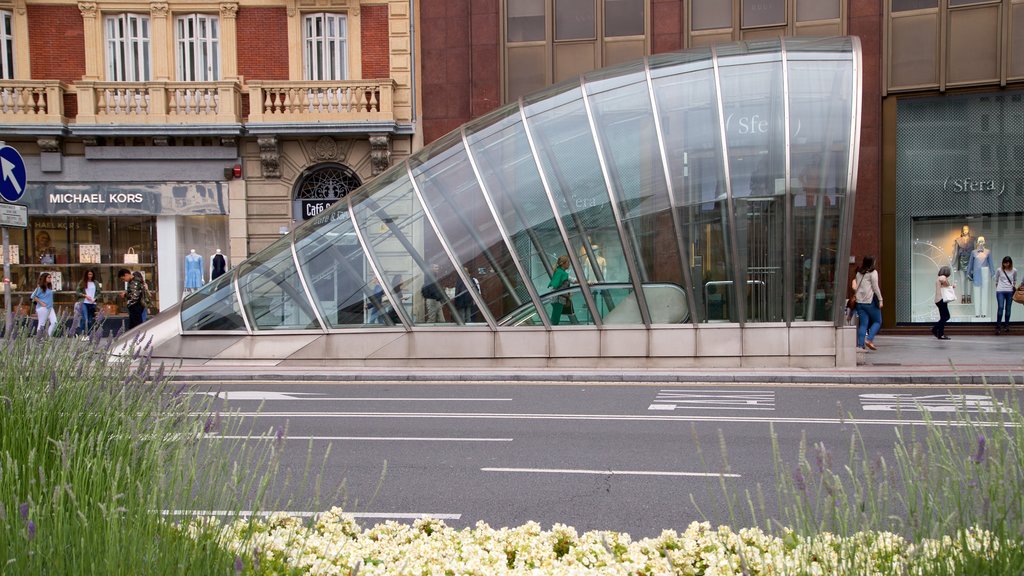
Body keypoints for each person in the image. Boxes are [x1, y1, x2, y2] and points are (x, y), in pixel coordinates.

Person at [852, 255, 883, 350]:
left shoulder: (858, 273)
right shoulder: (873, 273)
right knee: (878, 321)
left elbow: (857, 287)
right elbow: (875, 287)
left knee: (863, 324)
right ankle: (869, 339)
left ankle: (860, 346)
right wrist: (880, 299)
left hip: (859, 303)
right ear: (871, 262)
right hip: (869, 302)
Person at [30, 272, 58, 337]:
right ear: (44, 278)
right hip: (43, 308)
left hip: (50, 308)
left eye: (50, 277)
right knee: (42, 324)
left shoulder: (49, 287)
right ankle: (39, 338)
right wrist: (41, 303)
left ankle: (48, 336)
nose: (50, 278)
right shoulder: (40, 287)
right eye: (48, 277)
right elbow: (33, 296)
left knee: (54, 322)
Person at [995, 256, 1017, 334]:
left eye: (1007, 263)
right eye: (1004, 263)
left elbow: (1014, 280)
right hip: (1000, 291)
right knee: (1000, 307)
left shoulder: (1014, 270)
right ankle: (998, 326)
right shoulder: (999, 270)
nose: (1006, 264)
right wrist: (998, 286)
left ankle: (1006, 325)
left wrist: (1013, 285)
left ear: (1010, 263)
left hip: (1009, 291)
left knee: (1008, 308)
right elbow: (996, 279)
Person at [76, 269, 101, 337]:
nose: (90, 276)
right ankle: (82, 334)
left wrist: (95, 299)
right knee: (85, 319)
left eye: (91, 274)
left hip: (92, 303)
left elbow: (99, 293)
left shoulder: (95, 282)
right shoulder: (82, 282)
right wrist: (85, 296)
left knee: (90, 321)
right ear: (86, 275)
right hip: (84, 302)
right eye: (89, 274)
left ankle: (88, 335)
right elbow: (77, 292)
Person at [548, 255, 572, 325]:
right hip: (558, 299)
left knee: (555, 316)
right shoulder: (562, 273)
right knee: (555, 319)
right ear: (563, 263)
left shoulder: (558, 271)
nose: (569, 264)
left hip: (556, 298)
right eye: (568, 262)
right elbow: (572, 280)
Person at [932, 265, 953, 340]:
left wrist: (950, 286)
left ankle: (940, 334)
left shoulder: (939, 278)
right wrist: (949, 284)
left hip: (939, 300)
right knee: (946, 317)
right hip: (941, 300)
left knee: (943, 317)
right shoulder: (942, 277)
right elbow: (945, 282)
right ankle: (935, 329)